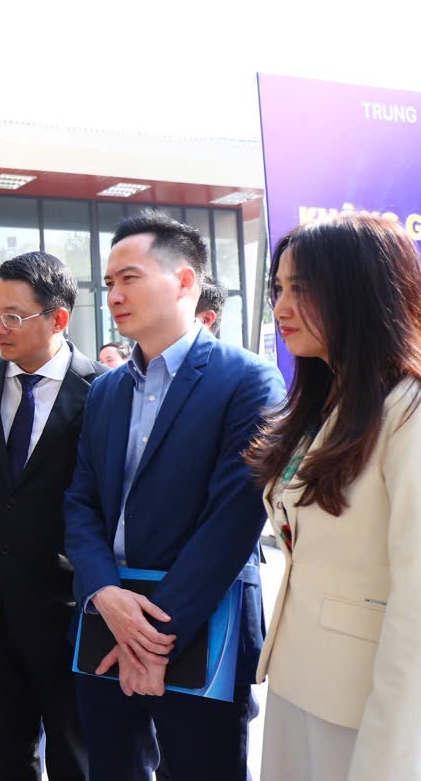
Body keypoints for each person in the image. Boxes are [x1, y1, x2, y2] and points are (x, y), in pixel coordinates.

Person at [62, 214, 285, 780]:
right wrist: (104, 593)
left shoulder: (248, 381)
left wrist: (152, 638)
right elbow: (81, 502)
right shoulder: (105, 390)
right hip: (108, 616)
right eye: (108, 283)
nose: (113, 295)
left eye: (129, 278)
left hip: (203, 619)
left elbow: (230, 522)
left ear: (185, 281)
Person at [249, 214, 421, 780]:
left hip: (362, 704)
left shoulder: (409, 410)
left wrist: (390, 752)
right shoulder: (327, 401)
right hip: (297, 681)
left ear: (360, 290)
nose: (280, 308)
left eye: (301, 288)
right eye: (278, 288)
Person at [0, 253, 102, 781]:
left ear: (58, 318)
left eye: (13, 316)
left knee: (77, 756)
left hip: (68, 609)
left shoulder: (103, 390)